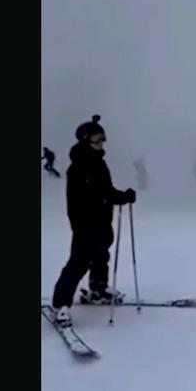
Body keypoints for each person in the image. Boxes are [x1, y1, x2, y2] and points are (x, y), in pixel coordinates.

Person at [50, 116, 137, 328]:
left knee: (100, 255)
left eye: (103, 139)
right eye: (97, 140)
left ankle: (98, 289)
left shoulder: (99, 164)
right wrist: (80, 224)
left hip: (101, 221)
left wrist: (123, 196)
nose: (101, 144)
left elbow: (105, 192)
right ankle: (60, 303)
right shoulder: (78, 167)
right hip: (85, 224)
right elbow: (84, 199)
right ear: (85, 140)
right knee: (79, 262)